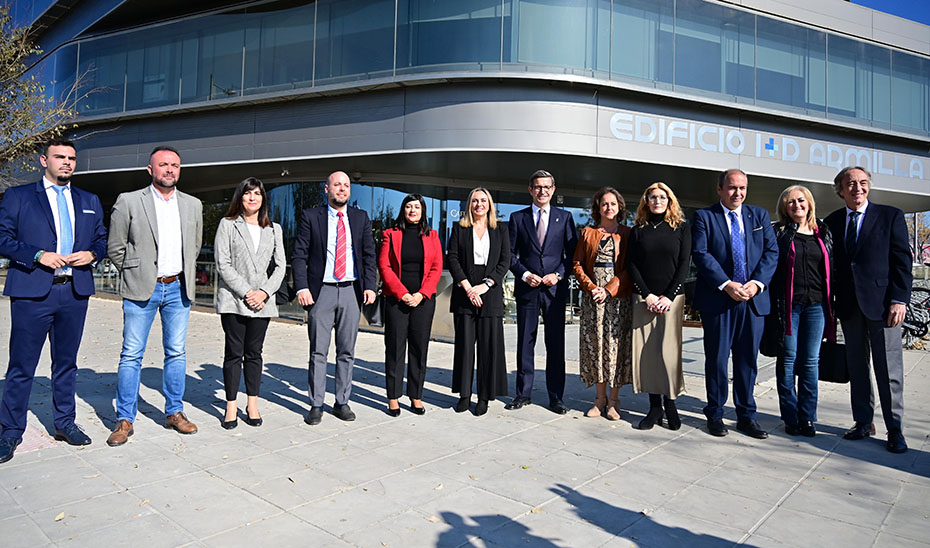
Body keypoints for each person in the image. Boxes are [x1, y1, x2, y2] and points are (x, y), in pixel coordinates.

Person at [0, 139, 107, 463]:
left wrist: (92, 254)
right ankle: (9, 432)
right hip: (32, 293)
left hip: (73, 294)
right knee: (21, 366)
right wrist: (37, 255)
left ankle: (64, 423)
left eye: (72, 158)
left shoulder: (89, 200)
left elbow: (101, 240)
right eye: (60, 157)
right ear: (43, 160)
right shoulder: (19, 196)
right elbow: (2, 238)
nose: (67, 163)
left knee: (66, 364)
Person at [106, 146, 204, 446]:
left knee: (176, 352)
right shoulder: (129, 201)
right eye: (163, 164)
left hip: (178, 288)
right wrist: (136, 272)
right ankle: (125, 418)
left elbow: (196, 245)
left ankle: (174, 411)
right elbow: (115, 247)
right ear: (151, 169)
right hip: (141, 288)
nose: (170, 169)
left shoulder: (193, 204)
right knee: (131, 354)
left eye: (175, 165)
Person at [824, 166, 911, 453]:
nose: (857, 188)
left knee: (889, 371)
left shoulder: (890, 216)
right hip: (849, 307)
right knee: (858, 368)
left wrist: (900, 299)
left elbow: (902, 262)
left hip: (884, 306)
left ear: (869, 186)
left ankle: (895, 429)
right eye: (850, 183)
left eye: (862, 182)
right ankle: (863, 422)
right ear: (840, 189)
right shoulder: (833, 222)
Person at [691, 169, 777, 439]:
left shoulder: (759, 216)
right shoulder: (705, 217)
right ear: (720, 189)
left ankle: (746, 415)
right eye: (731, 188)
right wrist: (727, 284)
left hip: (752, 301)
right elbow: (701, 254)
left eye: (742, 188)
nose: (737, 193)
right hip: (720, 299)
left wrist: (757, 284)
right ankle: (715, 413)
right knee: (717, 360)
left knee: (747, 361)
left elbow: (771, 252)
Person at [292, 171, 377, 425]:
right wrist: (302, 287)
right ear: (326, 189)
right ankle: (316, 403)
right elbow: (299, 255)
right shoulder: (311, 216)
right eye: (337, 185)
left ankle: (341, 402)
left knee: (347, 351)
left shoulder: (360, 218)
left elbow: (369, 255)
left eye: (346, 185)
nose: (342, 189)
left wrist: (371, 286)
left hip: (351, 291)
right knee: (318, 351)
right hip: (321, 292)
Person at [214, 177, 286, 429]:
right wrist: (247, 292)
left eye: (257, 193)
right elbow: (222, 263)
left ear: (263, 198)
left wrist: (264, 292)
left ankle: (252, 403)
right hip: (235, 300)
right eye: (247, 193)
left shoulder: (274, 228)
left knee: (254, 354)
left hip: (263, 302)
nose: (252, 198)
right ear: (240, 197)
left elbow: (280, 266)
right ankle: (231, 405)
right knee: (234, 353)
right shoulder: (227, 225)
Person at [506, 170, 578, 415]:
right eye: (537, 187)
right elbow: (509, 255)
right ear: (530, 189)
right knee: (526, 342)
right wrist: (525, 274)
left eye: (546, 187)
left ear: (553, 189)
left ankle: (556, 397)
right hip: (528, 289)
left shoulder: (565, 217)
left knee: (555, 344)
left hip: (554, 291)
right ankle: (523, 393)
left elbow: (572, 256)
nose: (542, 191)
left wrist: (557, 274)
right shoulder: (518, 218)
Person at [768, 186, 834, 438]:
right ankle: (790, 415)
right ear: (784, 207)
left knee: (810, 362)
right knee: (787, 360)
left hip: (816, 306)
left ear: (809, 203)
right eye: (790, 202)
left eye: (800, 200)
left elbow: (833, 269)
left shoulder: (824, 231)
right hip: (788, 307)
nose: (796, 205)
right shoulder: (779, 232)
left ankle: (807, 417)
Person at [628, 182, 691, 430]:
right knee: (647, 354)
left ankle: (671, 403)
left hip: (672, 300)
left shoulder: (681, 228)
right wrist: (648, 295)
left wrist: (667, 296)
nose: (657, 201)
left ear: (669, 200)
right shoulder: (638, 230)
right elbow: (632, 265)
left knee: (668, 353)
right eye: (652, 197)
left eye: (662, 197)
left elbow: (684, 264)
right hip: (644, 300)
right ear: (646, 201)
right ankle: (654, 408)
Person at [446, 188, 511, 416]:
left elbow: (505, 261)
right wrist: (467, 287)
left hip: (490, 294)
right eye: (475, 200)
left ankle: (483, 397)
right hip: (465, 293)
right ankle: (465, 395)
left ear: (490, 204)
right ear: (469, 204)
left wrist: (486, 285)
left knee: (488, 349)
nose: (479, 204)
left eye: (483, 200)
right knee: (464, 348)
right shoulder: (459, 228)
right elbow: (452, 258)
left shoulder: (500, 229)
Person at [377, 194, 443, 416]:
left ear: (423, 211)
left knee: (419, 349)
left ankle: (416, 396)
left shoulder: (432, 236)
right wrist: (403, 293)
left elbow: (436, 268)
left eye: (417, 207)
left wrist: (421, 294)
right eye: (409, 206)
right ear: (403, 210)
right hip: (397, 301)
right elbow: (384, 266)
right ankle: (393, 398)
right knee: (395, 350)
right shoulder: (390, 234)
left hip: (423, 301)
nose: (413, 210)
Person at [571, 187, 633, 421]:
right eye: (604, 203)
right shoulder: (587, 233)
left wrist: (608, 289)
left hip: (617, 299)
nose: (609, 207)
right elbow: (577, 264)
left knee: (615, 348)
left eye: (613, 204)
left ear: (620, 207)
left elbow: (630, 268)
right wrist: (592, 288)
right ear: (598, 207)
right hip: (592, 298)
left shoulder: (626, 234)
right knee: (596, 346)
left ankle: (614, 401)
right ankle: (599, 399)